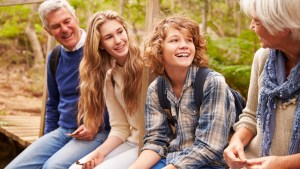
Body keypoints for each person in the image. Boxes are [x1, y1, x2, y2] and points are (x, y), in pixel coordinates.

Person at [5, 0, 110, 168]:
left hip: (98, 131)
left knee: (52, 167)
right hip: (64, 131)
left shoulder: (101, 49)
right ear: (48, 31)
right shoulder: (54, 57)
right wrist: (47, 139)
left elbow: (122, 98)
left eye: (67, 21)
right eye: (56, 26)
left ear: (75, 17)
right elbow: (52, 103)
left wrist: (97, 122)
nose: (64, 29)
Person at [129, 15, 236, 169]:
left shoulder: (212, 82)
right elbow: (155, 142)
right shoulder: (156, 90)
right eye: (174, 40)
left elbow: (210, 146)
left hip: (210, 163)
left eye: (189, 40)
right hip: (172, 159)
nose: (184, 45)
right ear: (159, 49)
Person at [223, 0, 300, 169]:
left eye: (257, 22)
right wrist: (236, 142)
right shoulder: (263, 58)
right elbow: (251, 115)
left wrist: (284, 164)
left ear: (282, 26)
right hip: (253, 163)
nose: (251, 27)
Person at [69, 10, 143, 169]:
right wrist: (100, 152)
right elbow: (120, 128)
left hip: (153, 145)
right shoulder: (110, 78)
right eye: (109, 37)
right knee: (75, 168)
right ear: (100, 45)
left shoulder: (149, 66)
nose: (118, 40)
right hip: (132, 142)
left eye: (120, 32)